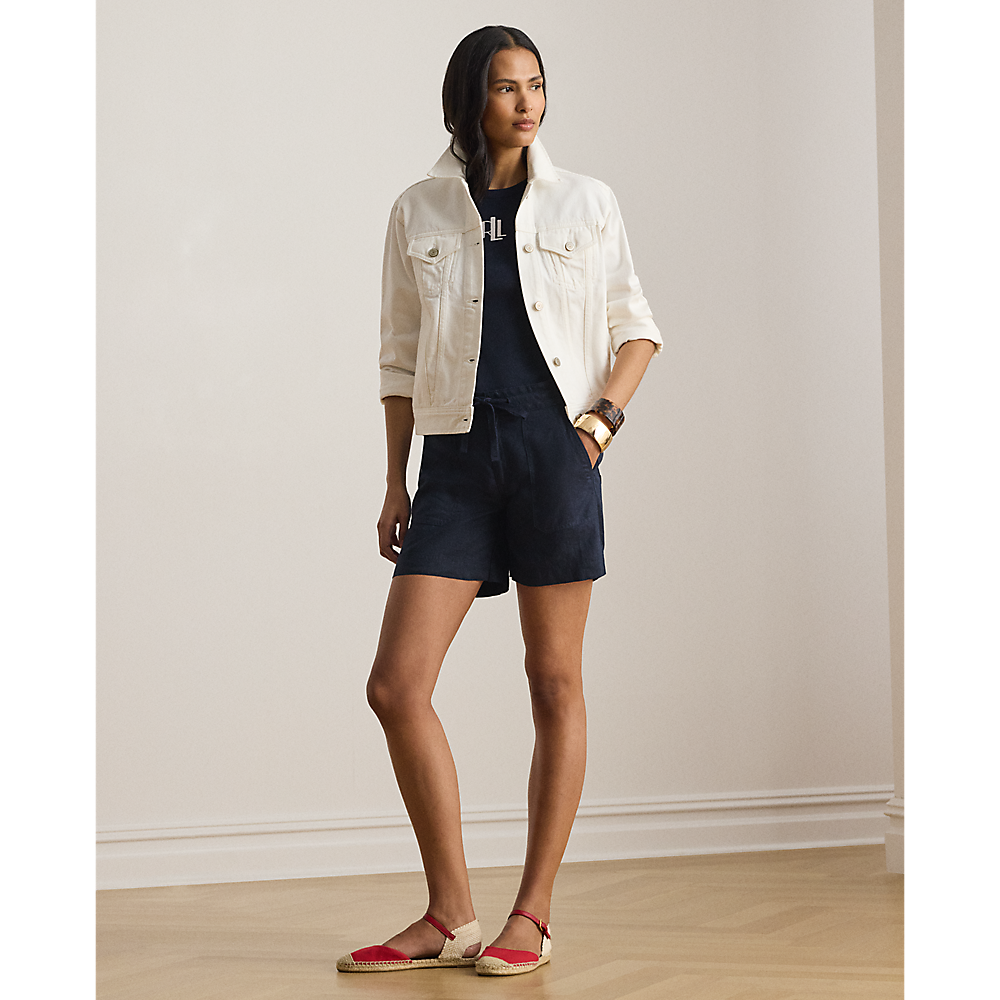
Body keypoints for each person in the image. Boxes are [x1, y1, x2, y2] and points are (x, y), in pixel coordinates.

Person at [336, 24, 661, 978]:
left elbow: (637, 328)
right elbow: (399, 359)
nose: (527, 103)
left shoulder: (585, 201)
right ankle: (450, 914)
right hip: (455, 462)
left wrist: (598, 426)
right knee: (396, 685)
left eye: (537, 85)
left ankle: (534, 913)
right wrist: (395, 478)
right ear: (468, 100)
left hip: (553, 453)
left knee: (553, 681)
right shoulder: (420, 209)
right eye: (506, 87)